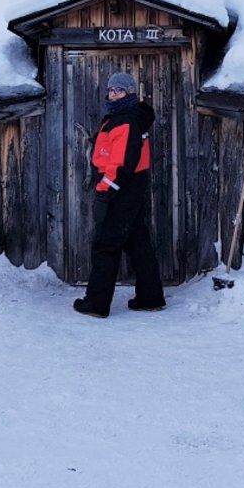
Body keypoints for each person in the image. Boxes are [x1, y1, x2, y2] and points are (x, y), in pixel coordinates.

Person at [73, 71, 166, 318]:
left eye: (119, 90)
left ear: (130, 93)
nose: (113, 94)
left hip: (120, 190)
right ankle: (151, 297)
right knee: (137, 242)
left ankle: (96, 304)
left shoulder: (125, 121)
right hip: (130, 189)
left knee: (106, 245)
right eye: (111, 90)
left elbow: (122, 163)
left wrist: (105, 190)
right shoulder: (122, 118)